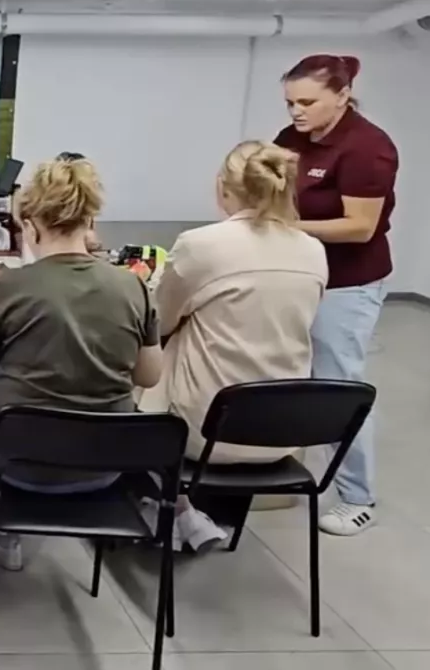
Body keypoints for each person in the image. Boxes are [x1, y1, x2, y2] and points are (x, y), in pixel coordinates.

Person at [0, 157, 161, 570]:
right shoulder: (133, 286)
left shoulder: (10, 285)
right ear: (90, 222)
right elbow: (149, 375)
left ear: (30, 227)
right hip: (106, 462)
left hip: (16, 459)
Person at [139, 141, 328, 551]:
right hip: (284, 431)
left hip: (206, 433)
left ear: (222, 188)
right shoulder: (314, 250)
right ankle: (186, 511)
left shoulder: (201, 244)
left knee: (146, 365)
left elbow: (160, 321)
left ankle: (165, 505)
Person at [273, 54, 398, 537]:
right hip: (300, 273)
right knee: (287, 375)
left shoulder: (368, 148)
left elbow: (360, 226)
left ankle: (357, 497)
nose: (296, 112)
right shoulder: (292, 138)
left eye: (307, 102)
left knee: (337, 384)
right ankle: (281, 472)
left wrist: (287, 227)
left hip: (347, 283)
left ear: (343, 96)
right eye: (290, 102)